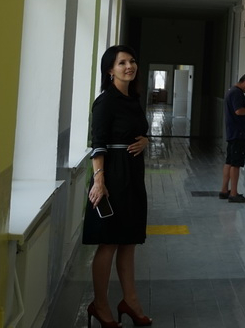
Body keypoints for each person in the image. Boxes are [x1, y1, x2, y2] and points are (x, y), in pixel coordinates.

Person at [82, 45, 152, 328]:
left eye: (132, 61)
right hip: (112, 176)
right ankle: (100, 305)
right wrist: (99, 181)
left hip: (133, 175)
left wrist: (146, 140)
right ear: (110, 69)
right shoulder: (105, 102)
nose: (129, 66)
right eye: (122, 62)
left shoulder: (133, 99)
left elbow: (138, 131)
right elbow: (98, 143)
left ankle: (130, 301)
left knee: (129, 241)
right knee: (109, 242)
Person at [219, 73, 245, 203]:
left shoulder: (231, 91)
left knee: (229, 162)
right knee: (236, 164)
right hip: (239, 134)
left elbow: (238, 113)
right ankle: (234, 193)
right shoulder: (237, 93)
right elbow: (238, 111)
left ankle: (224, 190)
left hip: (233, 133)